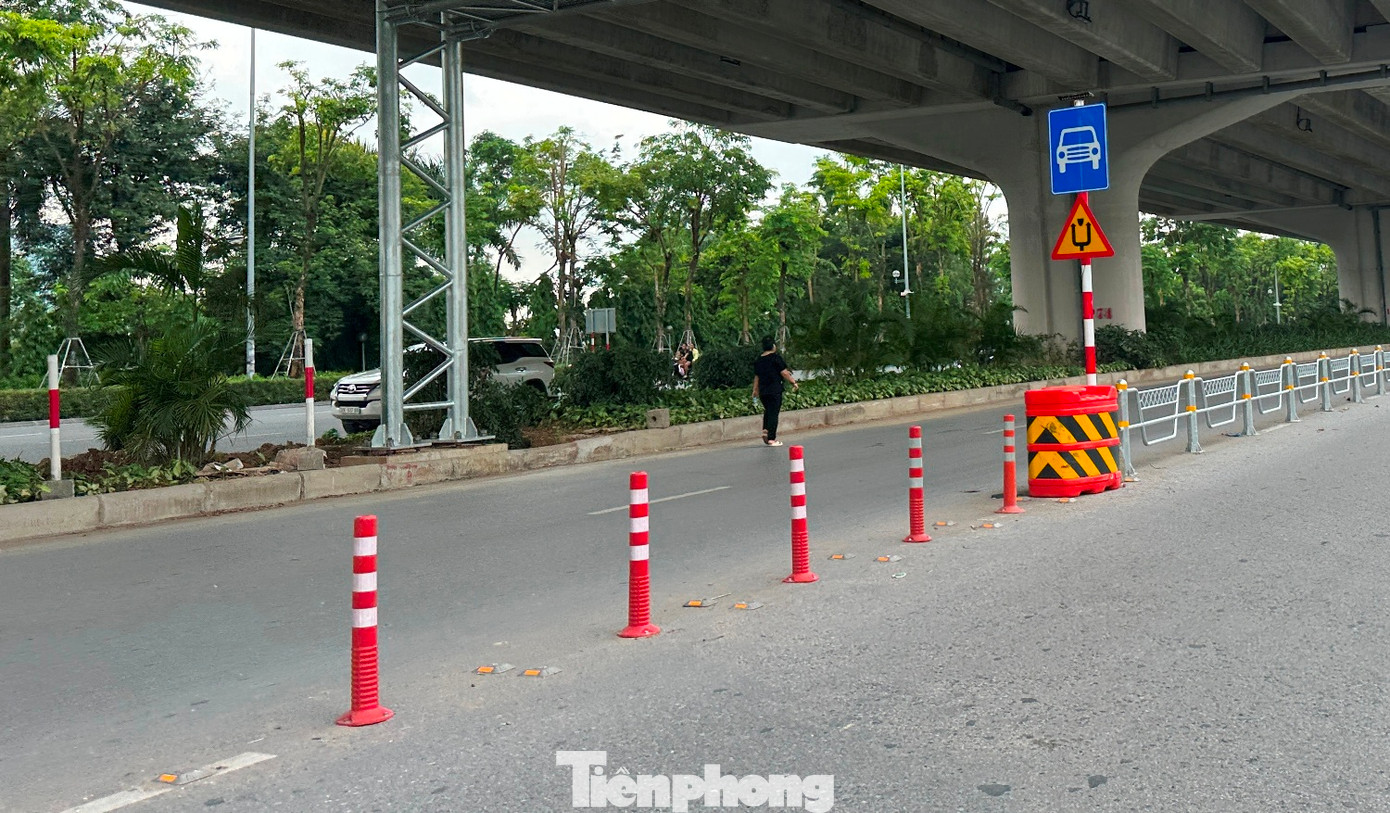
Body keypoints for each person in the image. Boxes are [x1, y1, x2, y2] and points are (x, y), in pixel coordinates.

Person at [752, 337, 798, 447]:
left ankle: (765, 430)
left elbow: (757, 377)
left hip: (763, 391)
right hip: (774, 390)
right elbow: (784, 373)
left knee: (768, 411)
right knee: (774, 413)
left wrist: (755, 390)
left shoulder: (759, 360)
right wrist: (793, 382)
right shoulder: (776, 358)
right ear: (773, 346)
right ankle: (771, 439)